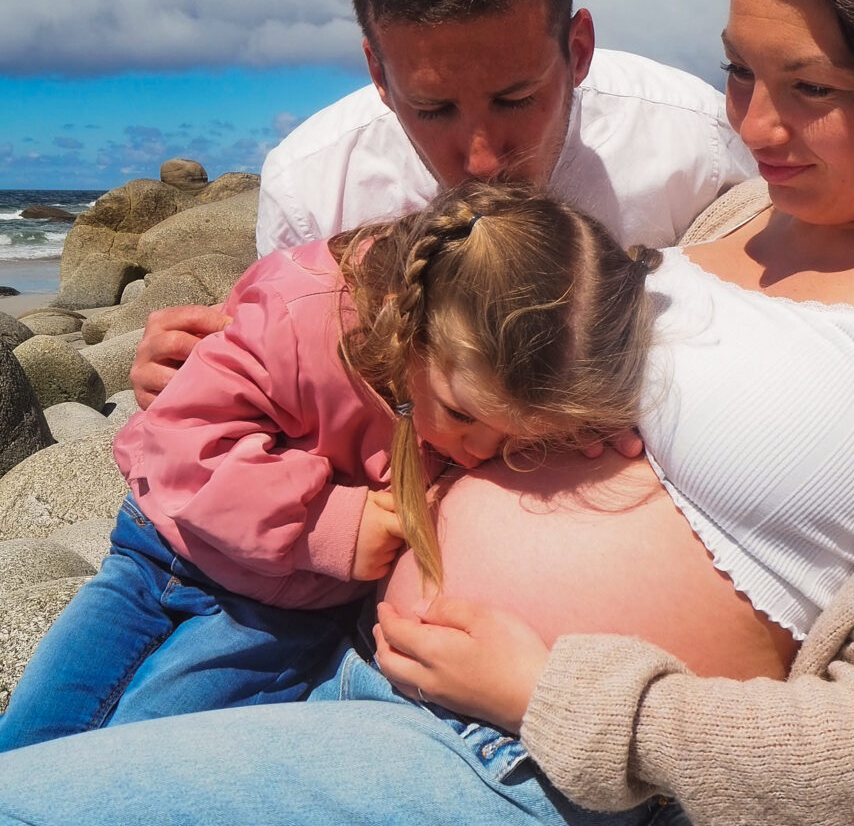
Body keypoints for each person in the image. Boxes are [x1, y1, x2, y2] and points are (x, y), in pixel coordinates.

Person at [0, 0, 854, 826]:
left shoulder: (731, 191)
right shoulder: (747, 218)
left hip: (513, 750)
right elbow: (307, 374)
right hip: (347, 630)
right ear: (381, 75)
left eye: (807, 87)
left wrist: (556, 695)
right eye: (738, 71)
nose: (759, 123)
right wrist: (206, 371)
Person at [0, 180, 658, 752]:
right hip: (162, 562)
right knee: (33, 735)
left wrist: (590, 434)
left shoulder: (509, 373)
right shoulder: (300, 314)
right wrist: (330, 522)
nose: (479, 451)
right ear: (409, 324)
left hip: (283, 616)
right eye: (461, 415)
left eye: (517, 439)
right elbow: (176, 450)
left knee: (141, 750)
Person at [129, 0, 753, 409]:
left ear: (579, 49)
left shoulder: (695, 148)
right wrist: (197, 377)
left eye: (517, 98)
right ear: (378, 72)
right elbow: (294, 383)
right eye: (433, 110)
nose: (482, 160)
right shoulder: (313, 189)